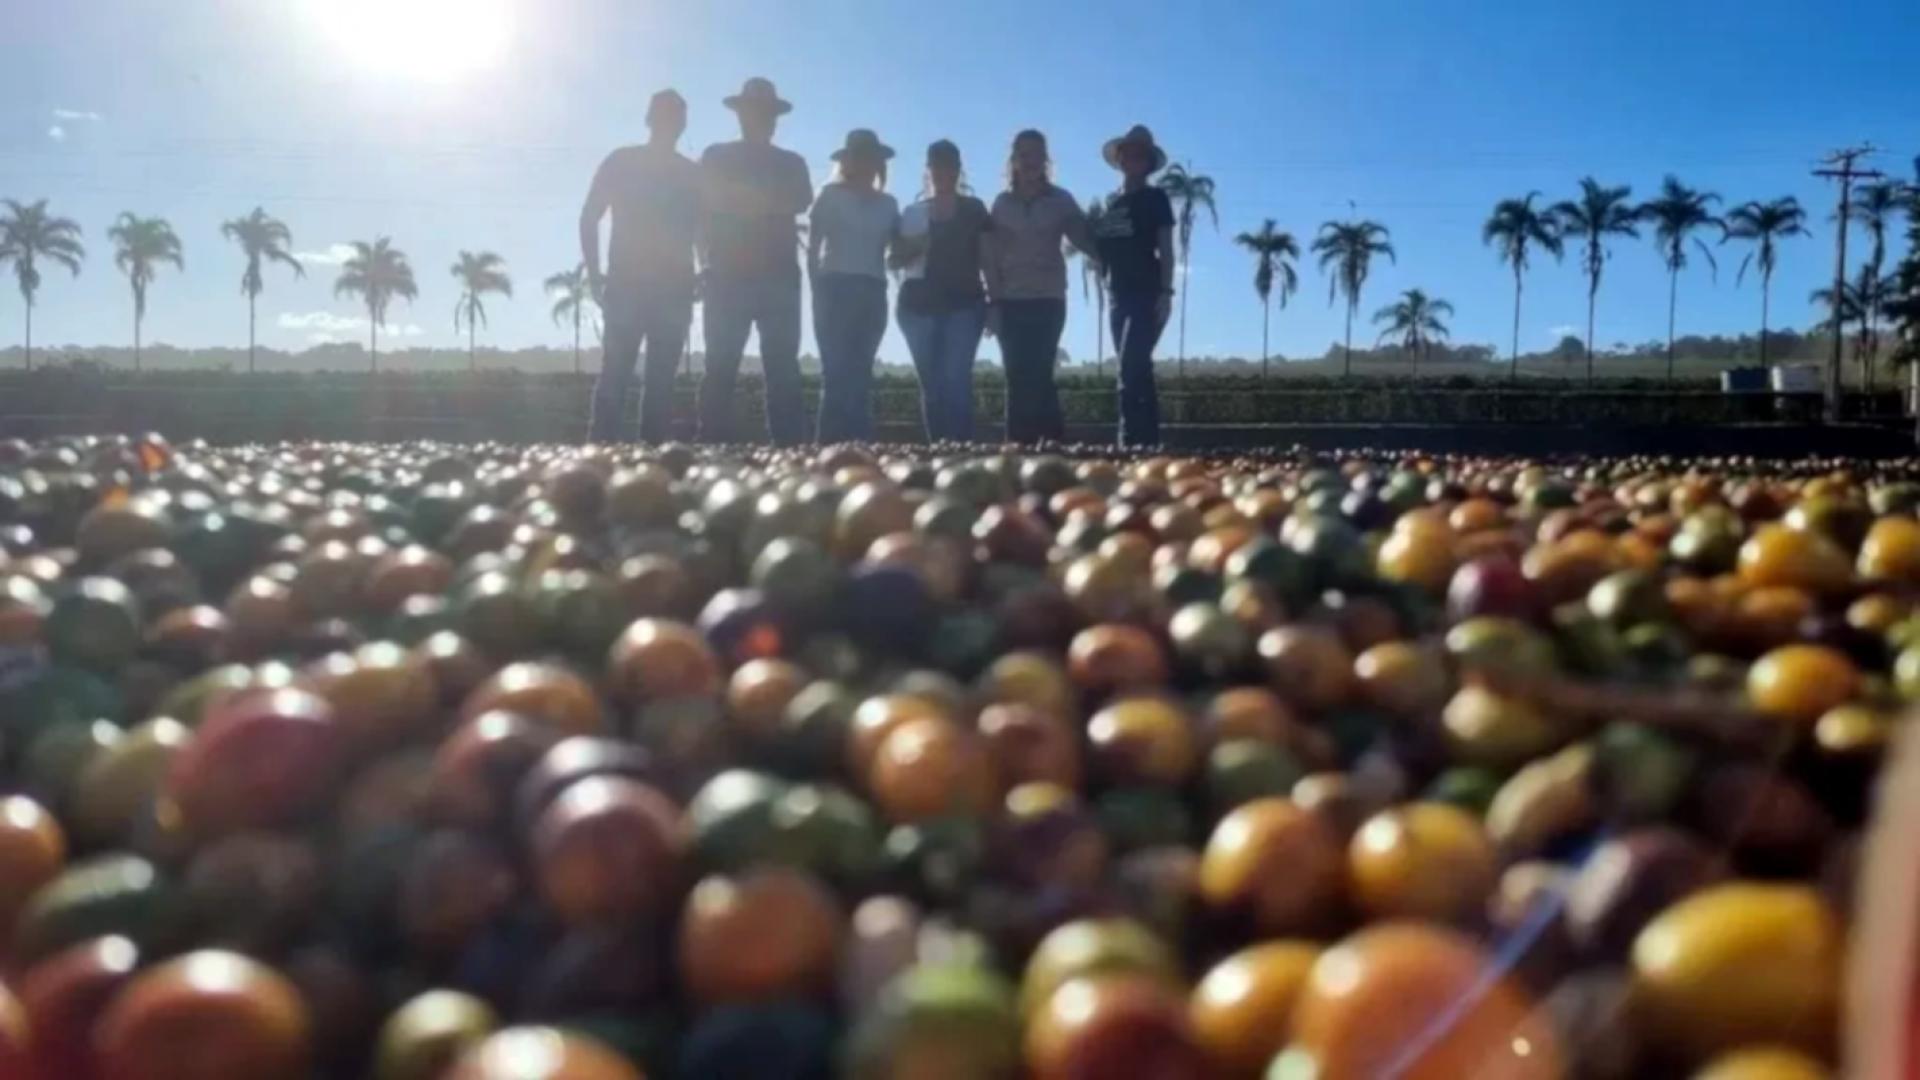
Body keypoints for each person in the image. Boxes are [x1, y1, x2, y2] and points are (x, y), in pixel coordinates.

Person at [579, 89, 701, 443]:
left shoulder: (690, 174)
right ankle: (600, 453)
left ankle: (652, 460)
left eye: (676, 117)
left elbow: (702, 229)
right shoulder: (621, 161)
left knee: (659, 383)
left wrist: (702, 268)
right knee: (616, 375)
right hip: (627, 283)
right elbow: (590, 215)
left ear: (682, 124)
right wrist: (594, 271)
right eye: (666, 116)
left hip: (674, 288)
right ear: (650, 120)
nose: (670, 123)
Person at [699, 77, 813, 445]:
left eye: (768, 112)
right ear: (741, 113)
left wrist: (739, 200)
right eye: (755, 110)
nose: (762, 118)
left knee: (782, 369)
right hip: (726, 276)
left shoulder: (792, 162)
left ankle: (789, 448)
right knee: (720, 366)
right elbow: (707, 203)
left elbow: (797, 200)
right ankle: (712, 446)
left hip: (778, 277)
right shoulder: (716, 155)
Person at [985, 129, 1094, 443]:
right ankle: (1017, 449)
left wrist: (1116, 259)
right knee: (1016, 376)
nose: (1030, 160)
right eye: (1023, 154)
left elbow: (1084, 238)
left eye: (1036, 154)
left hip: (1048, 299)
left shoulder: (1061, 200)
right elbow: (990, 256)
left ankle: (1053, 450)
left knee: (1041, 373)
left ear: (1045, 160)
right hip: (1010, 300)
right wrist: (993, 302)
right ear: (1014, 161)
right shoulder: (1001, 204)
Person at [893, 140, 992, 442]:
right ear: (929, 169)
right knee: (932, 388)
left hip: (964, 306)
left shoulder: (974, 209)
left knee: (956, 382)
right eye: (937, 165)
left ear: (958, 169)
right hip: (916, 307)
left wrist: (994, 302)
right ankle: (937, 452)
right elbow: (893, 260)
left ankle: (961, 453)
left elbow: (987, 257)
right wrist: (912, 249)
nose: (943, 171)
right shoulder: (912, 212)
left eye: (949, 165)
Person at [808, 130, 899, 443]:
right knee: (835, 374)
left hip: (873, 292)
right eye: (859, 156)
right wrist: (816, 287)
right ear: (848, 160)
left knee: (860, 375)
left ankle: (860, 450)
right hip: (834, 288)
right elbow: (813, 244)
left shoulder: (889, 204)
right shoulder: (829, 196)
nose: (866, 163)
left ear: (879, 163)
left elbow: (895, 251)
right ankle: (828, 451)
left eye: (871, 158)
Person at [1095, 125, 1176, 447]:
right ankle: (1143, 444)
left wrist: (1166, 293)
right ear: (1120, 158)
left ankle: (1131, 442)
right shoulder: (1112, 205)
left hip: (1147, 294)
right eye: (1128, 153)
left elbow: (1166, 250)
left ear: (1148, 162)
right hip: (1118, 296)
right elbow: (1101, 250)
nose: (1133, 159)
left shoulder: (1156, 199)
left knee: (1131, 367)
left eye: (1140, 154)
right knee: (1134, 371)